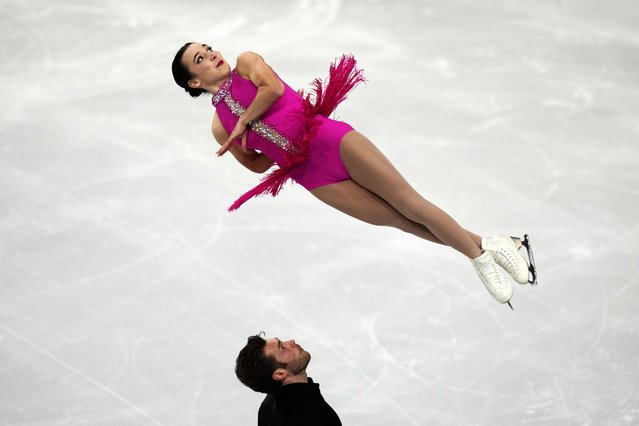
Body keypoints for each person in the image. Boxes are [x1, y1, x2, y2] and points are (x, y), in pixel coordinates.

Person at [171, 43, 538, 308]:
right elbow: (258, 165)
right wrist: (245, 145)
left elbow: (274, 90)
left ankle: (478, 258)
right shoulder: (221, 127)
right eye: (200, 59)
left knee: (410, 204)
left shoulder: (246, 62)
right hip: (311, 175)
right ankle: (493, 244)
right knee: (400, 222)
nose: (212, 54)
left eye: (207, 48)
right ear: (193, 83)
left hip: (330, 140)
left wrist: (246, 123)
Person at [235, 333, 342, 426]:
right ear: (280, 374)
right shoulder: (306, 416)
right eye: (282, 348)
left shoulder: (268, 404)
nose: (291, 342)